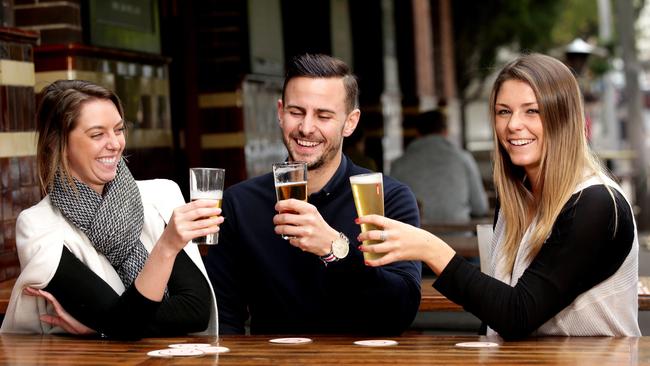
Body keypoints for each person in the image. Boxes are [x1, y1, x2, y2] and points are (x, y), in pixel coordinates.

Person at [357, 53, 641, 339]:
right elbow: (495, 315)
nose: (513, 124)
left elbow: (517, 315)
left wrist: (431, 248)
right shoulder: (515, 198)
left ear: (564, 117)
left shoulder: (596, 203)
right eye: (504, 111)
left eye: (532, 111)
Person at [205, 54, 421, 335]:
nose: (306, 127)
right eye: (296, 112)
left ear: (350, 122)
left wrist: (334, 249)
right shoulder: (239, 203)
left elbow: (400, 313)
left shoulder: (388, 198)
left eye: (323, 115)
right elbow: (224, 319)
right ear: (280, 113)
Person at [1, 80, 221, 339]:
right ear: (56, 143)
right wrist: (166, 247)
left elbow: (194, 310)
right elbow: (125, 324)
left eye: (118, 130)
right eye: (97, 134)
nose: (115, 143)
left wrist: (103, 325)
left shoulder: (160, 195)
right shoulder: (38, 226)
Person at [390, 109, 488, 222]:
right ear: (446, 131)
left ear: (417, 133)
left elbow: (393, 211)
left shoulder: (398, 163)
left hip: (415, 238)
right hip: (459, 235)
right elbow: (479, 207)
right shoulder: (463, 158)